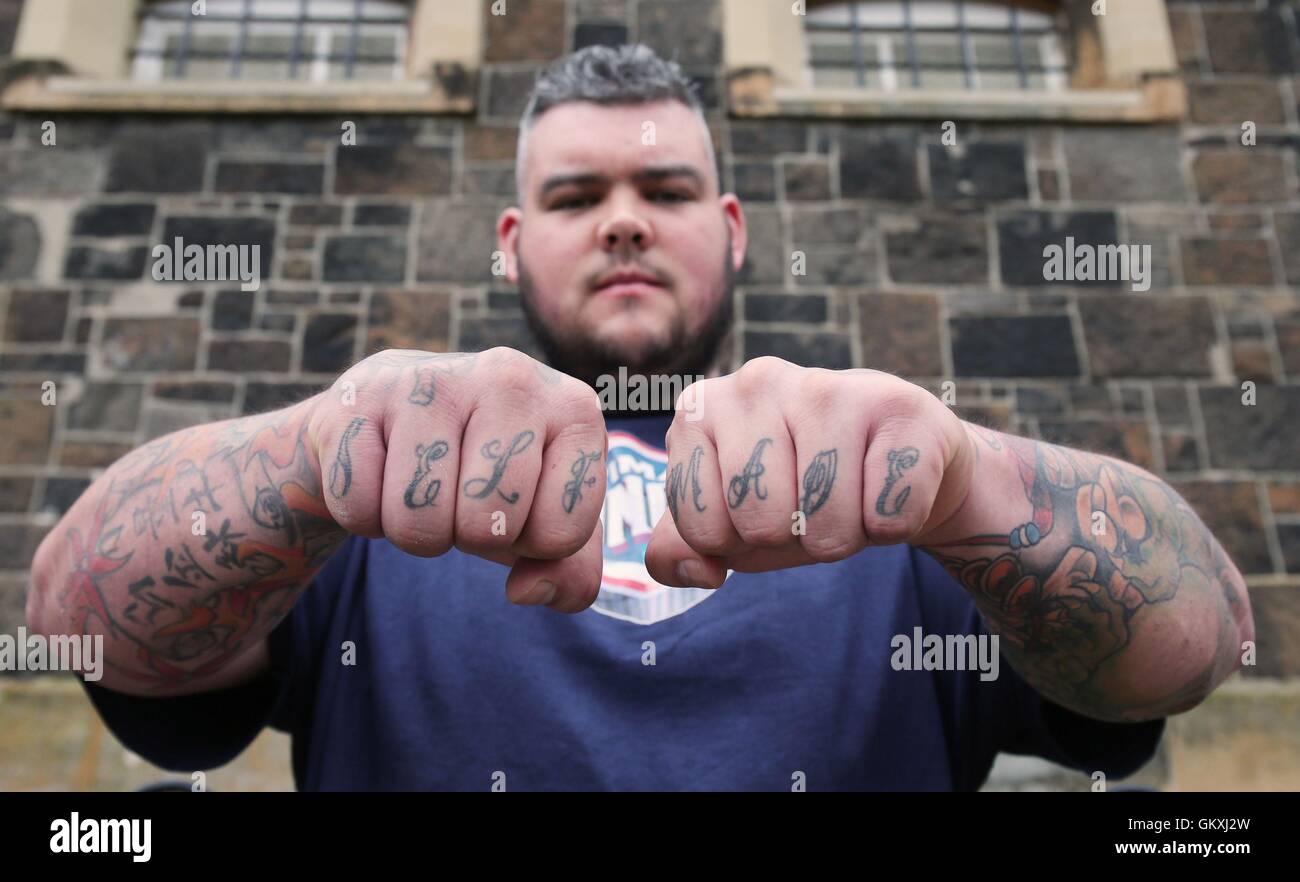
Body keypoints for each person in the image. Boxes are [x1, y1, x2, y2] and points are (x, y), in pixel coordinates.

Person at [27, 45, 1253, 791]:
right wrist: (304, 456)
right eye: (577, 197)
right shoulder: (373, 488)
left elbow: (1193, 647)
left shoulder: (890, 493)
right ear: (512, 244)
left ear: (730, 230)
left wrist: (967, 478)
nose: (622, 219)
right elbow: (79, 624)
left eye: (664, 189)